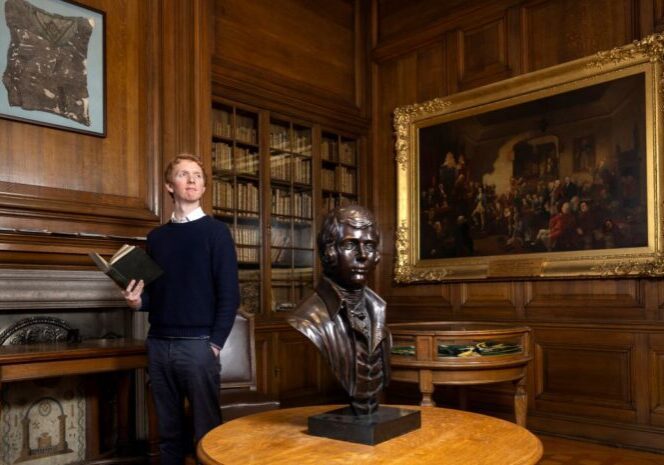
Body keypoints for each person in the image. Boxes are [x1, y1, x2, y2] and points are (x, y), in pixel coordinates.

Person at [122, 154, 239, 465]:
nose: (192, 180)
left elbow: (230, 295)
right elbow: (156, 295)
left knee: (207, 434)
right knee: (169, 434)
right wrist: (137, 303)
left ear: (203, 185)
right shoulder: (156, 238)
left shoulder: (216, 233)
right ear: (168, 186)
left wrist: (214, 344)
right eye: (184, 174)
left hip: (198, 346)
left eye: (198, 176)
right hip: (159, 345)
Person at [287, 205, 390, 416]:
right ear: (329, 252)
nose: (362, 255)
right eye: (350, 244)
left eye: (369, 246)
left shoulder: (378, 309)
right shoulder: (308, 319)